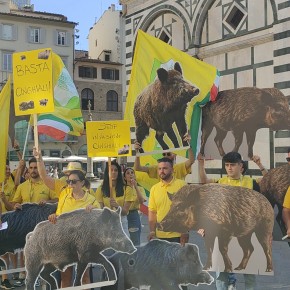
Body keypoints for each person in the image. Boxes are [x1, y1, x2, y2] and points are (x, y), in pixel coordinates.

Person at [198, 152, 258, 290]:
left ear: (241, 166)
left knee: (249, 274)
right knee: (222, 274)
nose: (229, 168)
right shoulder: (220, 183)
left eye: (232, 165)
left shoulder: (252, 183)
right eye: (227, 165)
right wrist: (201, 165)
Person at [48, 170, 100, 287]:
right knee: (66, 277)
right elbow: (59, 216)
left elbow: (98, 218)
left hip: (83, 243)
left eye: (74, 182)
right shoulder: (64, 196)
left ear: (82, 183)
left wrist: (94, 209)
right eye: (68, 181)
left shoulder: (91, 200)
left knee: (84, 277)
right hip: (65, 242)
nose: (70, 185)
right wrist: (53, 216)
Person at [148, 157, 189, 244]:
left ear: (172, 170)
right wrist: (152, 231)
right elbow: (152, 212)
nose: (161, 171)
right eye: (159, 168)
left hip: (177, 236)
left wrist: (185, 231)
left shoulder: (182, 185)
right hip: (159, 235)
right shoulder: (154, 189)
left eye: (165, 168)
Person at [95, 160, 135, 237]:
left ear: (119, 173)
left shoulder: (127, 189)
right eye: (111, 170)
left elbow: (125, 212)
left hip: (121, 222)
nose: (113, 172)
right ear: (107, 172)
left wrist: (117, 206)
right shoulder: (100, 189)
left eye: (116, 170)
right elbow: (100, 210)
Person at [123, 167, 146, 246]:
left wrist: (135, 187)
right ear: (124, 177)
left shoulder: (140, 189)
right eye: (128, 173)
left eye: (132, 173)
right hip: (123, 215)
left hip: (133, 215)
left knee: (134, 240)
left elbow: (141, 201)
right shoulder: (123, 189)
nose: (130, 175)